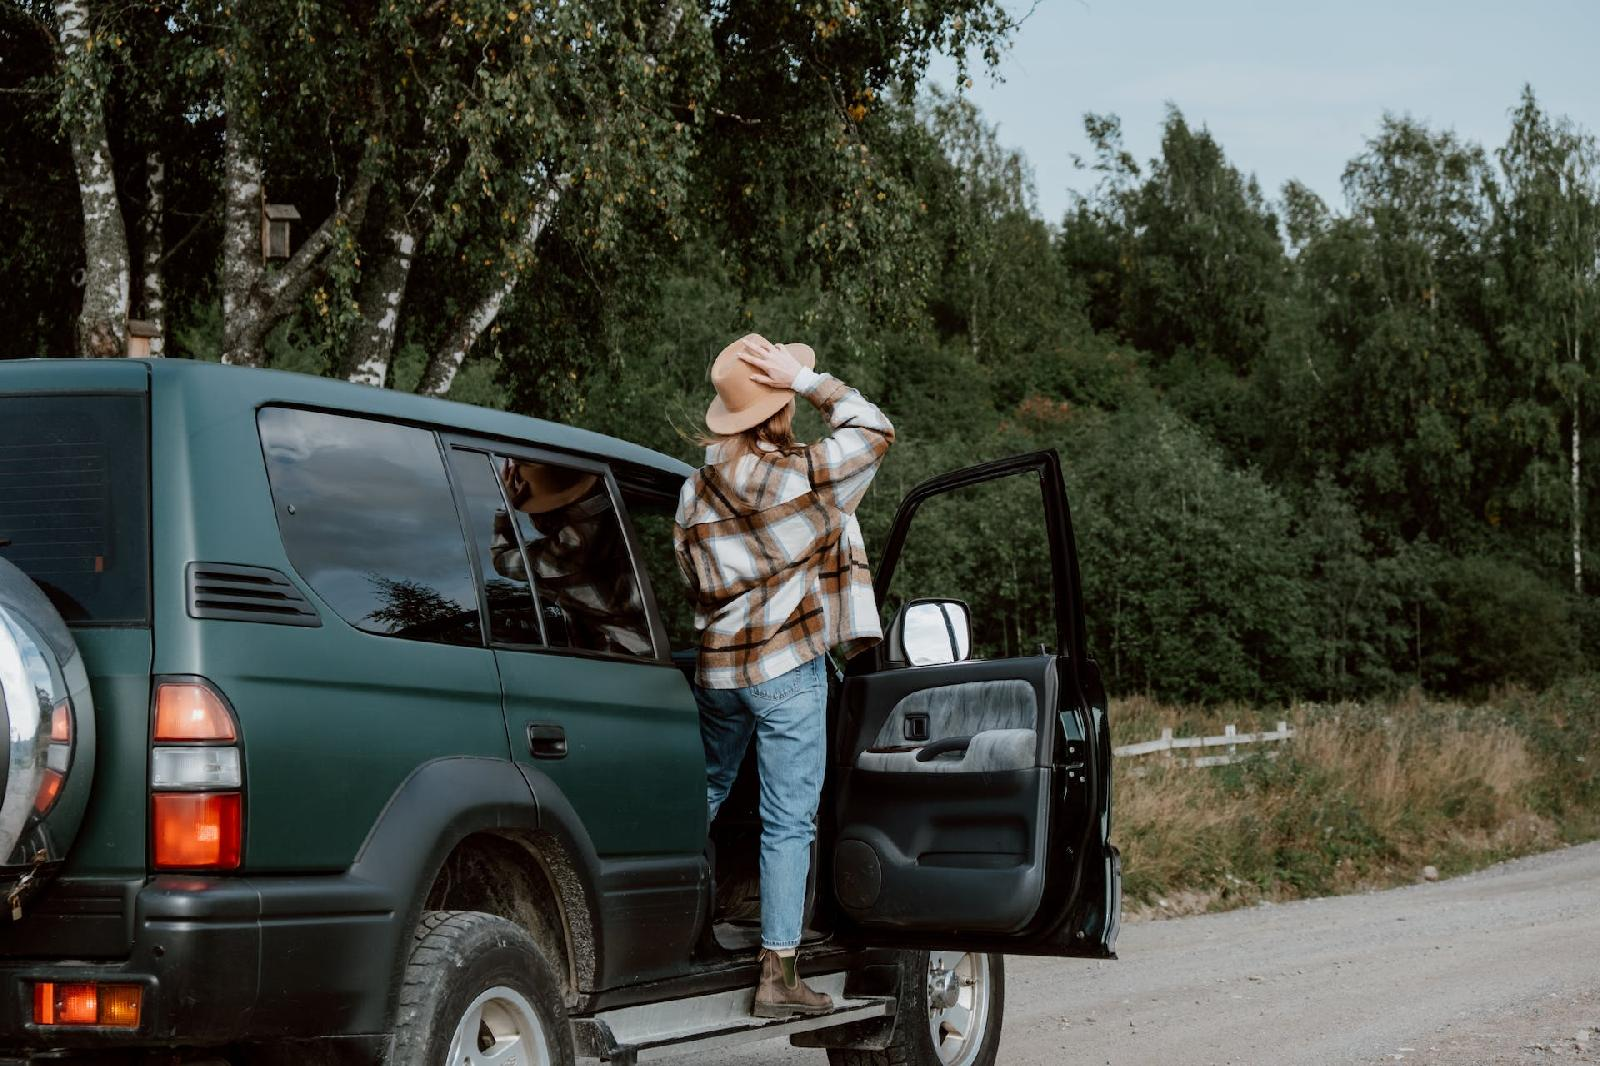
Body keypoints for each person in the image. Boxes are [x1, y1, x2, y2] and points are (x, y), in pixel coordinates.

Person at [673, 333, 895, 1018]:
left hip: (719, 670)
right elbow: (875, 428)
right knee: (786, 822)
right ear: (779, 408)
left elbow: (691, 580)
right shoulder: (808, 473)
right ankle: (779, 974)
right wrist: (809, 378)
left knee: (705, 794)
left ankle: (655, 931)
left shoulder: (693, 489)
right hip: (788, 668)